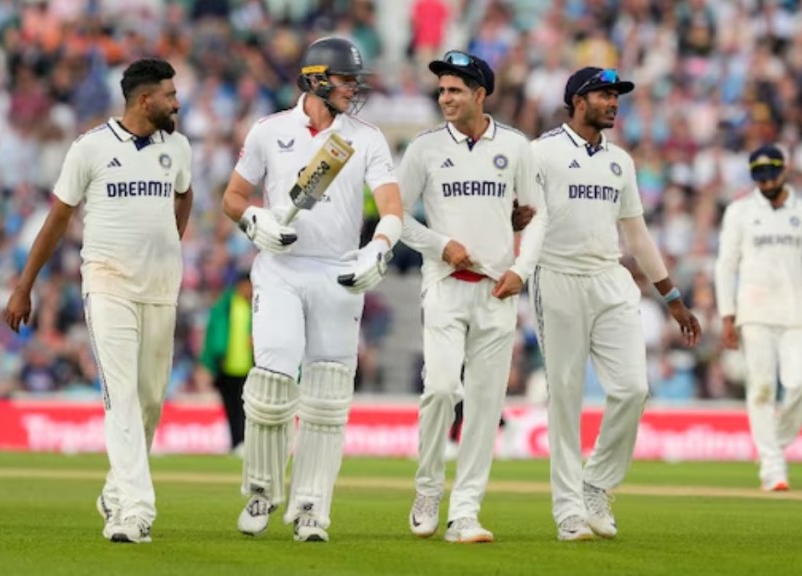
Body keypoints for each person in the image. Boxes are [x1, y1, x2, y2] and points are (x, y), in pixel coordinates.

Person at [4, 58, 194, 544]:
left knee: (150, 400)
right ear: (145, 100)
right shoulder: (90, 147)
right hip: (108, 284)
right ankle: (135, 510)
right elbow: (57, 219)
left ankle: (115, 491)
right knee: (121, 395)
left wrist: (168, 244)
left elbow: (184, 195)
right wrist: (25, 285)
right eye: (170, 95)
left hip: (161, 287)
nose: (177, 103)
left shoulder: (177, 147)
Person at [221, 36, 403, 543]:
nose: (353, 90)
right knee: (272, 382)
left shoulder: (365, 138)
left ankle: (311, 508)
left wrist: (379, 247)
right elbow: (233, 197)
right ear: (316, 79)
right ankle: (262, 490)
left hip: (339, 272)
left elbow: (392, 206)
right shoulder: (269, 130)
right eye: (345, 81)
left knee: (327, 395)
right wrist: (254, 220)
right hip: (281, 267)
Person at [528, 67, 701, 541]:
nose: (613, 102)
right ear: (578, 101)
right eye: (604, 94)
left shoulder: (620, 161)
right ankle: (567, 509)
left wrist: (673, 298)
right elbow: (517, 215)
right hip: (557, 275)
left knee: (632, 388)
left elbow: (637, 236)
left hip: (610, 278)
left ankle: (596, 483)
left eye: (616, 95)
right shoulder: (541, 152)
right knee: (565, 396)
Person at [400, 50, 548, 543]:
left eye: (455, 90)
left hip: (497, 291)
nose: (445, 98)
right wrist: (440, 244)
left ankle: (465, 512)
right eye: (442, 90)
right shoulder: (424, 148)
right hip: (444, 286)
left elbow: (538, 215)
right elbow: (395, 215)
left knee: (485, 407)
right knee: (442, 389)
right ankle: (427, 489)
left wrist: (522, 270)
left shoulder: (516, 146)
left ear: (480, 94)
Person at [714, 144, 802, 491]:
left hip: (796, 315)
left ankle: (772, 445)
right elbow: (725, 265)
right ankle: (772, 467)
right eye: (759, 177)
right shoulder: (739, 211)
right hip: (754, 314)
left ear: (784, 171)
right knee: (762, 389)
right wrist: (727, 314)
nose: (766, 183)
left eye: (771, 175)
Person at [201, 271, 254, 454]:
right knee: (232, 408)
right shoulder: (225, 305)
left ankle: (246, 442)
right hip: (226, 366)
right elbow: (214, 334)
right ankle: (236, 443)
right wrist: (211, 361)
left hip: (248, 367)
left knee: (247, 409)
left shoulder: (255, 306)